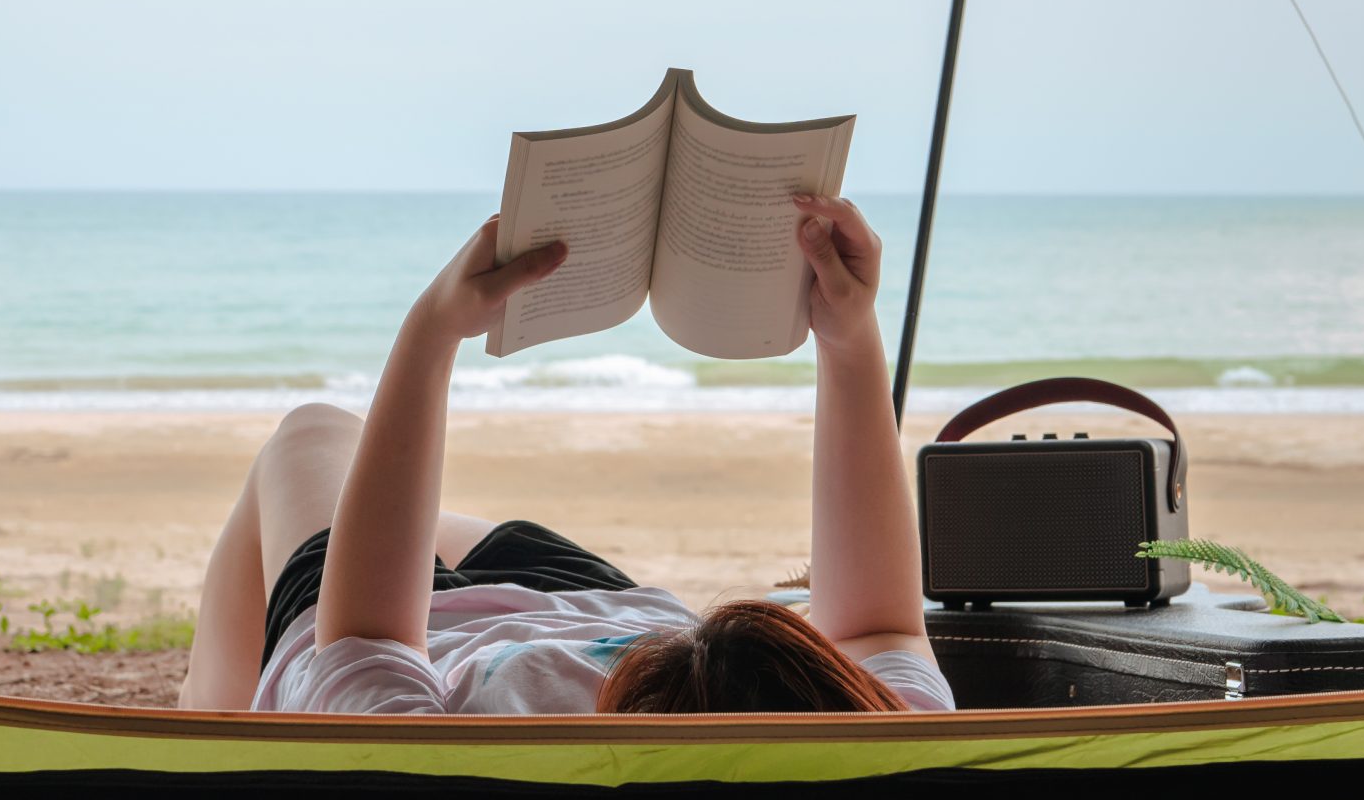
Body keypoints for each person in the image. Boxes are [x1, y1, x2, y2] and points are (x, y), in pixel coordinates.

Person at [176, 194, 952, 715]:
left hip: (487, 631)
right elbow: (881, 627)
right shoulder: (865, 732)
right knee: (348, 474)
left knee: (309, 434)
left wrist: (433, 327)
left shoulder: (403, 737)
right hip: (609, 614)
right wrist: (850, 337)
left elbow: (368, 636)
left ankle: (204, 756)